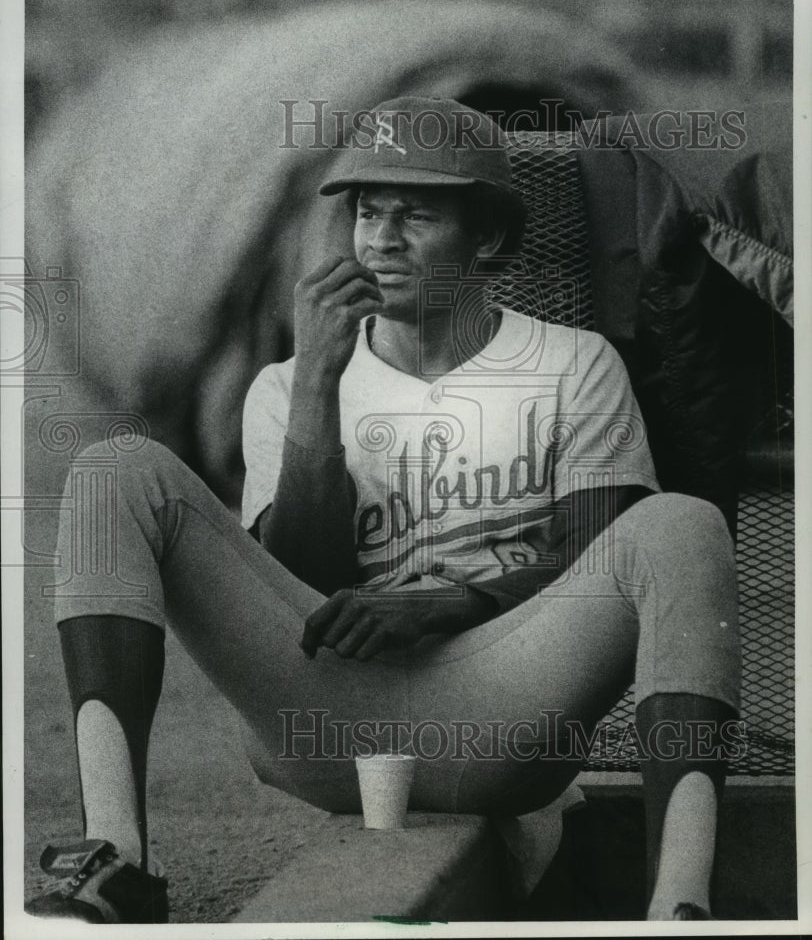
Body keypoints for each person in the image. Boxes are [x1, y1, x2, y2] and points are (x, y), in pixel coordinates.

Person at [26, 96, 741, 924]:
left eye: (416, 213)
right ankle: (115, 860)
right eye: (368, 212)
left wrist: (456, 601)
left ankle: (682, 902)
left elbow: (603, 557)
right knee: (117, 470)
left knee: (683, 524)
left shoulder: (570, 365)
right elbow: (300, 586)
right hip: (323, 719)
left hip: (502, 710)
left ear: (490, 238)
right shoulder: (284, 389)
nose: (382, 239)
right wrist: (317, 390)